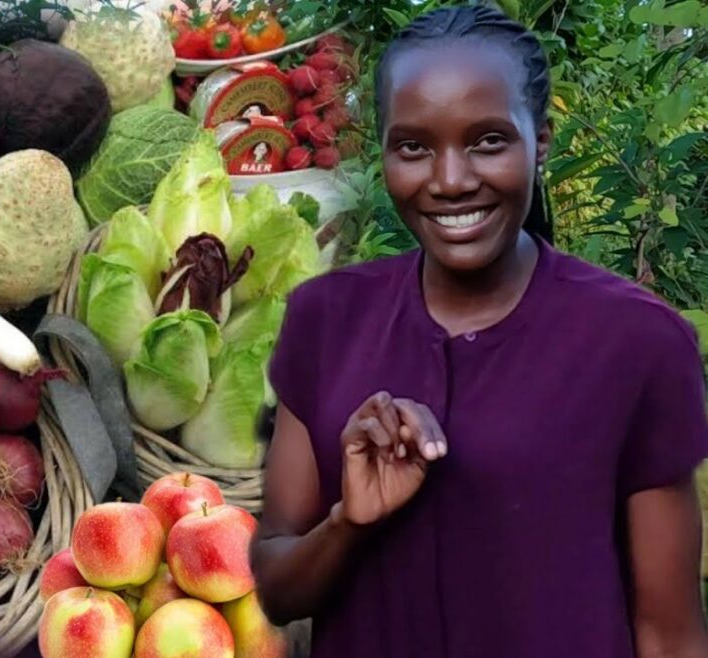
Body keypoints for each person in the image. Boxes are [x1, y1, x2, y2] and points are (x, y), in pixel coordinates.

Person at [250, 6, 708, 658]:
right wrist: (349, 523)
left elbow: (670, 634)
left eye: (489, 141)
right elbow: (279, 588)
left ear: (540, 141)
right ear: (382, 152)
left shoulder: (635, 341)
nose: (451, 180)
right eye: (413, 146)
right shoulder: (326, 320)